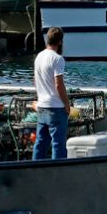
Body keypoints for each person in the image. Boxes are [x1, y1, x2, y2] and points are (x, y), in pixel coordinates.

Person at [33, 27, 70, 160]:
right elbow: (59, 84)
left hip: (42, 105)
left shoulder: (39, 56)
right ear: (60, 41)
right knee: (58, 144)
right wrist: (67, 104)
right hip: (56, 107)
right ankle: (58, 171)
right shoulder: (58, 59)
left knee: (40, 143)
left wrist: (38, 98)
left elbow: (35, 80)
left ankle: (35, 169)